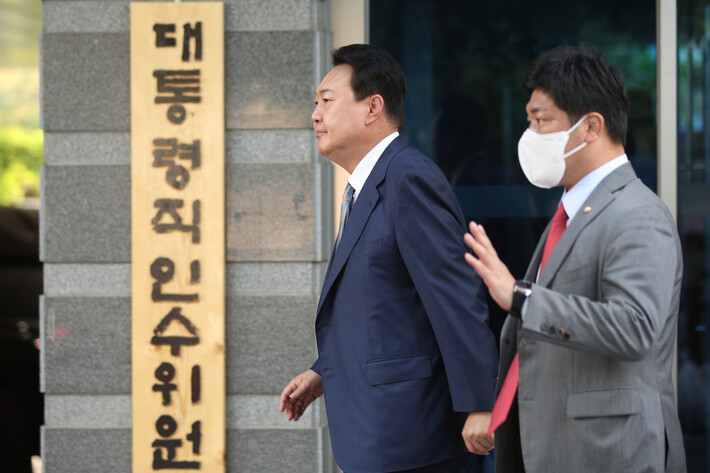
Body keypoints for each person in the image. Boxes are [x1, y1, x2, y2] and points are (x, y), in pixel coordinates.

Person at [463, 45, 686, 473]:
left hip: (606, 453)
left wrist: (520, 296)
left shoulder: (637, 212)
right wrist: (500, 404)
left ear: (591, 127)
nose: (529, 135)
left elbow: (635, 328)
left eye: (541, 120)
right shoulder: (571, 211)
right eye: (529, 120)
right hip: (549, 443)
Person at [280, 44, 499, 473]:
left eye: (326, 101)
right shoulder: (366, 188)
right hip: (379, 435)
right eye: (315, 104)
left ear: (373, 107)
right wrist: (324, 370)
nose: (315, 115)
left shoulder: (408, 178)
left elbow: (455, 297)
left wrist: (480, 403)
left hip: (413, 443)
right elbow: (387, 307)